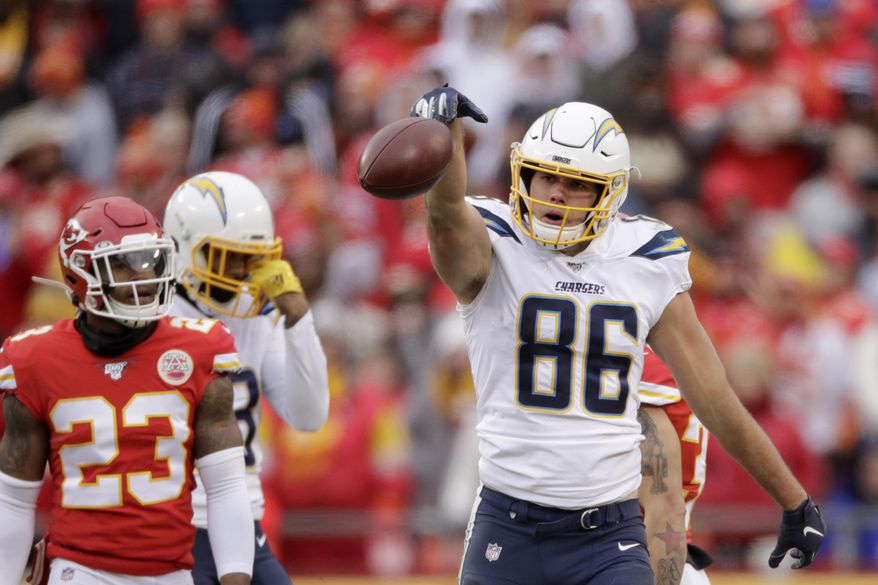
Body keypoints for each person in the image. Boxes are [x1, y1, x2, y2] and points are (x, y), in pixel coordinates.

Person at [409, 86, 826, 585]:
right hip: (507, 523)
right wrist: (442, 138)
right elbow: (446, 214)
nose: (553, 194)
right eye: (543, 176)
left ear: (611, 191)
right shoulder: (494, 243)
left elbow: (713, 398)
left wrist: (792, 498)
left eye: (575, 183)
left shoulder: (646, 259)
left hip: (608, 536)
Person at [0, 196, 254, 585]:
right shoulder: (35, 359)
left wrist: (236, 579)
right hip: (80, 570)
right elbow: (14, 497)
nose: (145, 276)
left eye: (150, 260)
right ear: (78, 275)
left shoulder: (200, 349)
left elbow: (227, 484)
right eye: (124, 263)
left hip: (173, 572)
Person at [163, 171, 330, 584]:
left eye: (250, 257)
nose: (240, 271)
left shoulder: (259, 317)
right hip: (174, 526)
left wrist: (298, 318)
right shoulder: (155, 319)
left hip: (246, 522)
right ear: (184, 249)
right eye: (225, 255)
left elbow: (308, 416)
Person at [638, 347, 712, 585]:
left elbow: (664, 505)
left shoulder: (639, 364)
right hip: (677, 549)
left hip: (646, 551)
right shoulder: (684, 358)